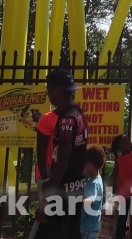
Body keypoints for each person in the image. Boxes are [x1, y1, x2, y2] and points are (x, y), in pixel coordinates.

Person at [37, 68, 89, 239]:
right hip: (75, 187)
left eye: (49, 90)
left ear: (57, 90)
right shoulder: (78, 113)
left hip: (63, 191)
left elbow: (62, 163)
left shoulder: (66, 119)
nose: (48, 95)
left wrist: (46, 199)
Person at [81, 145, 107, 239]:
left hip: (87, 227)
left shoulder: (93, 183)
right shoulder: (97, 179)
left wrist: (77, 202)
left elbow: (90, 199)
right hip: (92, 226)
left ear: (88, 166)